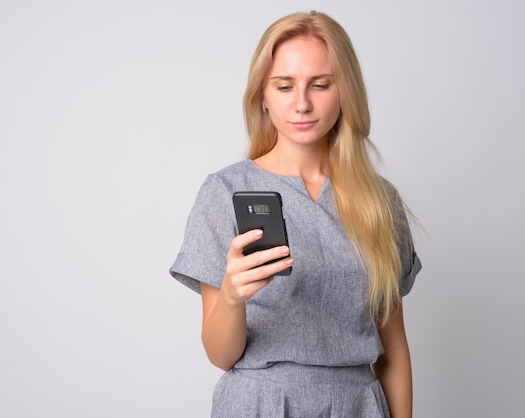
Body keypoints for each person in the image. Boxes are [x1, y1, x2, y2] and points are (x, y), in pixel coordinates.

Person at [170, 10, 421, 418]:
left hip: (356, 404)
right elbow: (219, 355)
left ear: (346, 92)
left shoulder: (379, 202)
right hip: (260, 404)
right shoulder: (226, 192)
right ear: (262, 96)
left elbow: (393, 349)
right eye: (284, 86)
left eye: (320, 85)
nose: (302, 104)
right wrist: (233, 294)